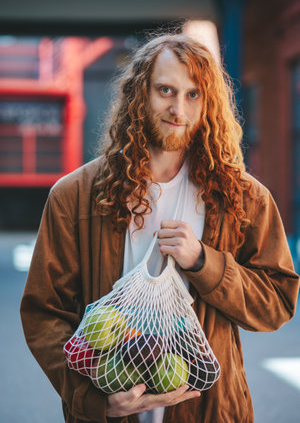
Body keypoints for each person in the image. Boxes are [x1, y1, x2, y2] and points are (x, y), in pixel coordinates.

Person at [20, 33, 299, 423]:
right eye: (165, 90)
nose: (178, 108)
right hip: (112, 410)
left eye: (193, 94)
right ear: (140, 94)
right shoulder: (75, 195)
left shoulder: (242, 198)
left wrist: (205, 262)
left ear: (209, 103)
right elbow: (43, 312)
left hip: (209, 411)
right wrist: (92, 400)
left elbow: (277, 303)